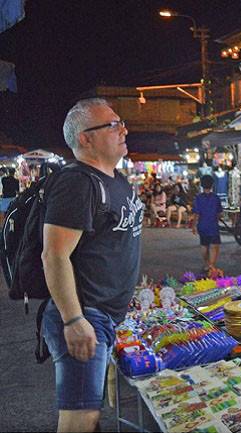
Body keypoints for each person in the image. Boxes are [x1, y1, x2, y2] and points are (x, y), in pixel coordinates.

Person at [41, 98, 143, 432]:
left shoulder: (115, 180)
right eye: (113, 125)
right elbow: (54, 255)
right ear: (86, 138)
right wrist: (73, 320)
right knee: (79, 419)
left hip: (104, 316)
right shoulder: (77, 183)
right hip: (86, 315)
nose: (123, 129)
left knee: (91, 414)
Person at [192, 175, 223, 273]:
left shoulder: (198, 198)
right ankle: (212, 266)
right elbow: (220, 213)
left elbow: (196, 213)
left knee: (204, 245)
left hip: (202, 225)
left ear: (201, 185)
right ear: (212, 185)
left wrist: (194, 225)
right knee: (215, 245)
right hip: (213, 225)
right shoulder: (216, 198)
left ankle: (206, 265)